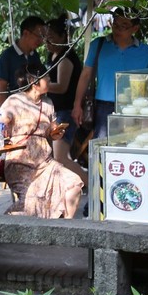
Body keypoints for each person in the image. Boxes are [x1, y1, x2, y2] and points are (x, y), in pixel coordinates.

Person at [0, 59, 82, 218]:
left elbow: (51, 131)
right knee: (32, 204)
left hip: (45, 162)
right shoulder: (14, 101)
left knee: (74, 184)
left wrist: (55, 133)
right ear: (34, 81)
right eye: (46, 77)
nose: (49, 80)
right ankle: (3, 224)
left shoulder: (48, 103)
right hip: (20, 163)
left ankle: (64, 229)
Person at [71, 9, 148, 141]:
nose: (118, 30)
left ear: (135, 28)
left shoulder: (145, 51)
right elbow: (86, 75)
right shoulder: (98, 44)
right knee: (103, 145)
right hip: (103, 107)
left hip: (134, 107)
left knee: (132, 144)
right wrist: (77, 105)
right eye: (115, 25)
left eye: (124, 26)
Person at [41, 18, 83, 178]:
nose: (46, 40)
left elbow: (61, 86)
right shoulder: (52, 56)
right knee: (55, 156)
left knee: (61, 157)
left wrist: (39, 85)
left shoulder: (65, 58)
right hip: (55, 112)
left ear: (63, 37)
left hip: (65, 113)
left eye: (51, 36)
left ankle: (93, 186)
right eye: (45, 36)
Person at [0, 15, 45, 94]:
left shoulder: (35, 56)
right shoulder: (7, 56)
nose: (41, 41)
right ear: (25, 33)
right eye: (39, 36)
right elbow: (2, 89)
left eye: (43, 37)